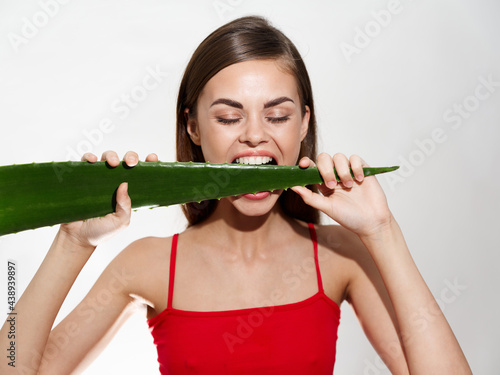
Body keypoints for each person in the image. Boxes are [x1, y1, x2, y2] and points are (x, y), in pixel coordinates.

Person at [1, 16, 471, 375]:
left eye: (278, 115)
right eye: (228, 117)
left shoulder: (338, 256)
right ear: (193, 127)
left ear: (304, 123)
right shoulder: (145, 264)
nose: (254, 136)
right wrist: (72, 242)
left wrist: (382, 233)